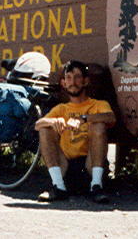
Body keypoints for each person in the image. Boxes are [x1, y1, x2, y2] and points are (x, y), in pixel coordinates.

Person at [35, 60, 116, 203]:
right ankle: (58, 187)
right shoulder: (61, 108)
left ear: (85, 81)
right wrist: (53, 121)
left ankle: (97, 186)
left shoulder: (98, 105)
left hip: (90, 165)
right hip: (66, 167)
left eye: (78, 77)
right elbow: (38, 124)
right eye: (69, 78)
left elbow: (110, 117)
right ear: (63, 83)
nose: (73, 82)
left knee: (98, 125)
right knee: (45, 128)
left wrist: (83, 119)